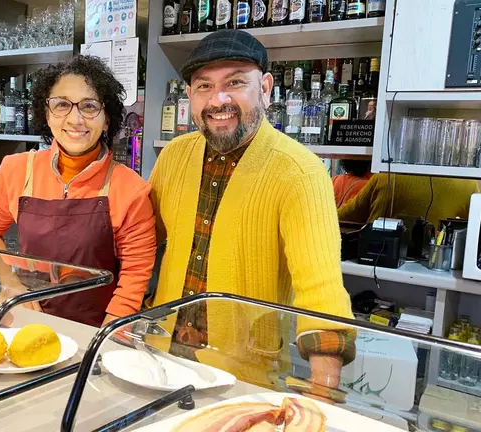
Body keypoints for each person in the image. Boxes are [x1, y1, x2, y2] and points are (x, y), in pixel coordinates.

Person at [149, 30, 355, 392]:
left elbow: (321, 291)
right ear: (189, 96)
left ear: (265, 87)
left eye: (235, 82)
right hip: (159, 358)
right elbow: (142, 243)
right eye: (204, 87)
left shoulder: (299, 171)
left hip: (244, 375)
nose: (219, 99)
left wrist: (323, 394)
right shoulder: (173, 157)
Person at [0, 56, 156, 328]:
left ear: (107, 120)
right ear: (46, 116)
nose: (75, 118)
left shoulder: (131, 189)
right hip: (27, 321)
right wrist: (11, 283)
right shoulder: (17, 170)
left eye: (89, 106)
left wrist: (107, 341)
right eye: (61, 105)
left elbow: (135, 275)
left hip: (94, 328)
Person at [337, 174, 479, 229]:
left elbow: (342, 216)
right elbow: (477, 231)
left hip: (375, 260)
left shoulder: (383, 177)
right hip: (433, 266)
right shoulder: (467, 183)